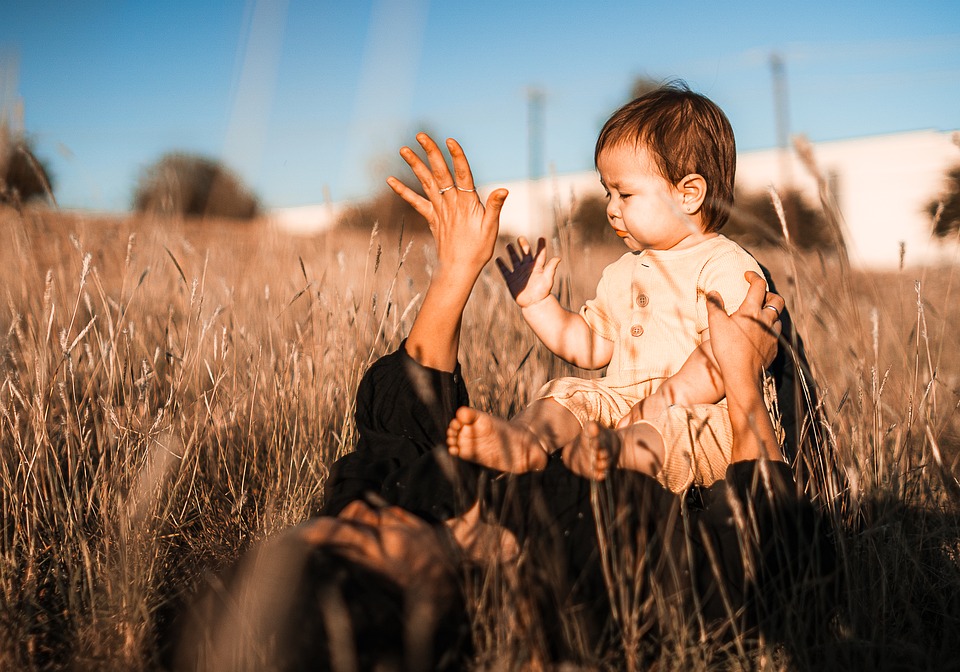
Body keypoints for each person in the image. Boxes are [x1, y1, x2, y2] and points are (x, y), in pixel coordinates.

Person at [180, 133, 832, 670]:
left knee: (546, 412)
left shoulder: (401, 505)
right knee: (622, 429)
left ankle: (541, 440)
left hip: (601, 416)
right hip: (670, 428)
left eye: (324, 520)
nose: (363, 510)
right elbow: (763, 570)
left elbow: (401, 411)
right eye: (359, 537)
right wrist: (742, 380)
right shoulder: (585, 588)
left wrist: (459, 268)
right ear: (415, 602)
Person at [447, 83, 771, 494]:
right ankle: (527, 441)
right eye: (607, 192)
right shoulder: (622, 272)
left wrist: (660, 402)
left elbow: (725, 357)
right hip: (623, 403)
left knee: (677, 430)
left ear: (689, 194)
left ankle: (612, 455)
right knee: (569, 392)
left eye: (626, 194)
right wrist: (538, 304)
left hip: (703, 411)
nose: (610, 207)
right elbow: (591, 348)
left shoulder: (726, 265)